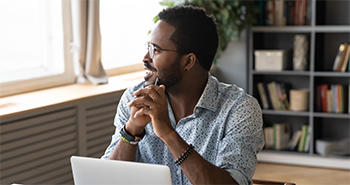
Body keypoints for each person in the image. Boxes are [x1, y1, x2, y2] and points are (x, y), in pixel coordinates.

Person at [102, 5, 264, 185]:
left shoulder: (239, 109)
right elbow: (106, 181)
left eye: (156, 50)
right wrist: (130, 132)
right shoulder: (135, 98)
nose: (145, 58)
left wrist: (168, 134)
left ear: (188, 61)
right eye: (149, 48)